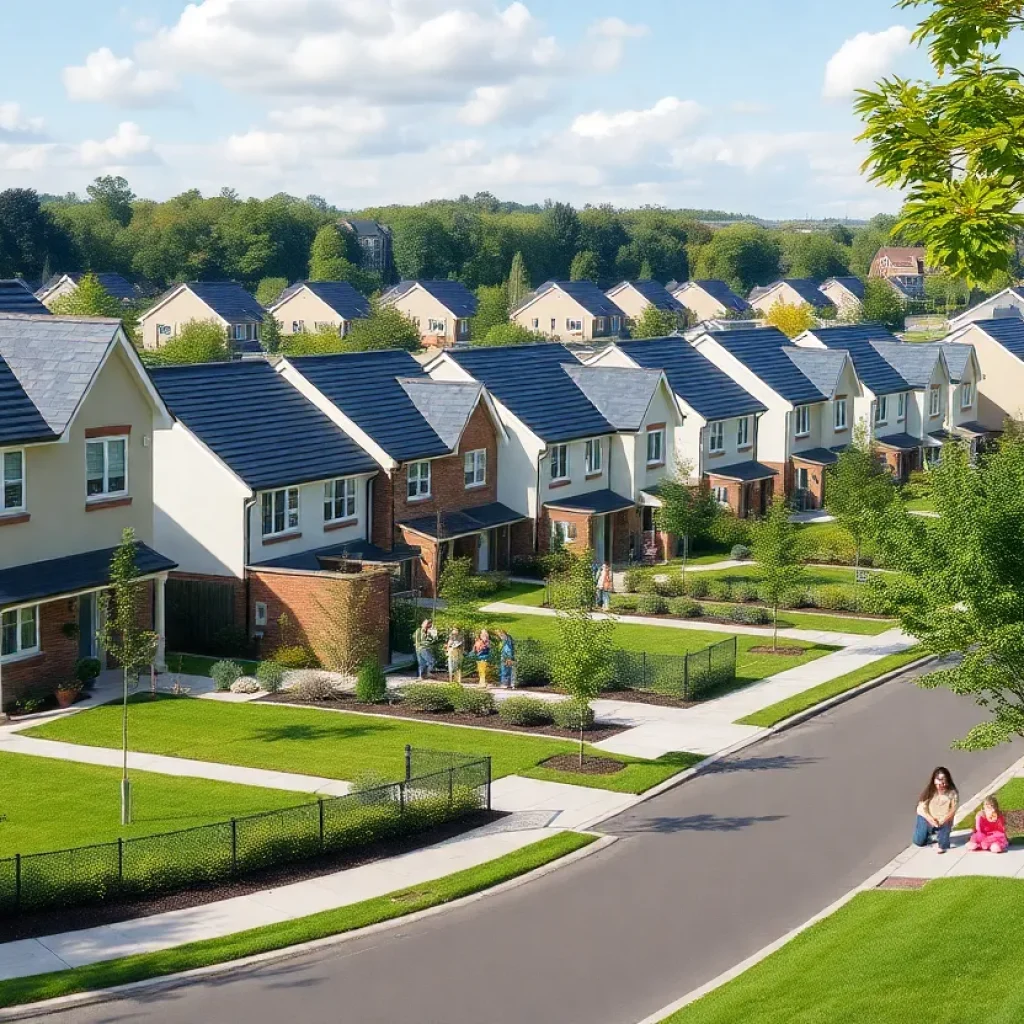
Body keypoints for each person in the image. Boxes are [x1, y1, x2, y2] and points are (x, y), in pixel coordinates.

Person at [913, 766, 959, 854]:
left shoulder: (952, 793)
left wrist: (943, 820)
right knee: (918, 841)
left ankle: (938, 838)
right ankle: (930, 837)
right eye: (937, 784)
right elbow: (920, 808)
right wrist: (930, 819)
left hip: (943, 821)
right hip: (928, 819)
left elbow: (953, 810)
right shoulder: (930, 791)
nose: (940, 786)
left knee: (943, 846)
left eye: (943, 783)